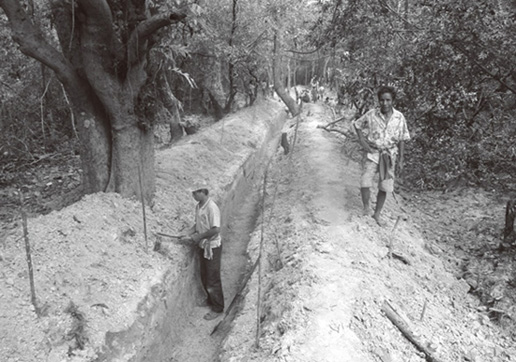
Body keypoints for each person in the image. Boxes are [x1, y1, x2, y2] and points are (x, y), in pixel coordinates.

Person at [353, 86, 410, 226]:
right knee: (365, 181)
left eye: (388, 100)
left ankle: (377, 213)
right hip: (373, 153)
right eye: (382, 100)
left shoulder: (399, 117)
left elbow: (402, 138)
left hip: (390, 155)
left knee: (384, 186)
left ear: (393, 101)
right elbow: (357, 124)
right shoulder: (371, 114)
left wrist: (401, 159)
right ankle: (366, 207)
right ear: (378, 101)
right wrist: (362, 142)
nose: (385, 103)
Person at [180, 185, 225, 320]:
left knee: (212, 279)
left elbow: (216, 229)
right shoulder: (199, 206)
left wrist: (199, 237)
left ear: (203, 192)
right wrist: (187, 233)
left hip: (212, 247)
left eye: (195, 193)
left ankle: (218, 308)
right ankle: (211, 300)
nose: (193, 196)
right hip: (203, 245)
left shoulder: (212, 208)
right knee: (204, 276)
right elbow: (197, 225)